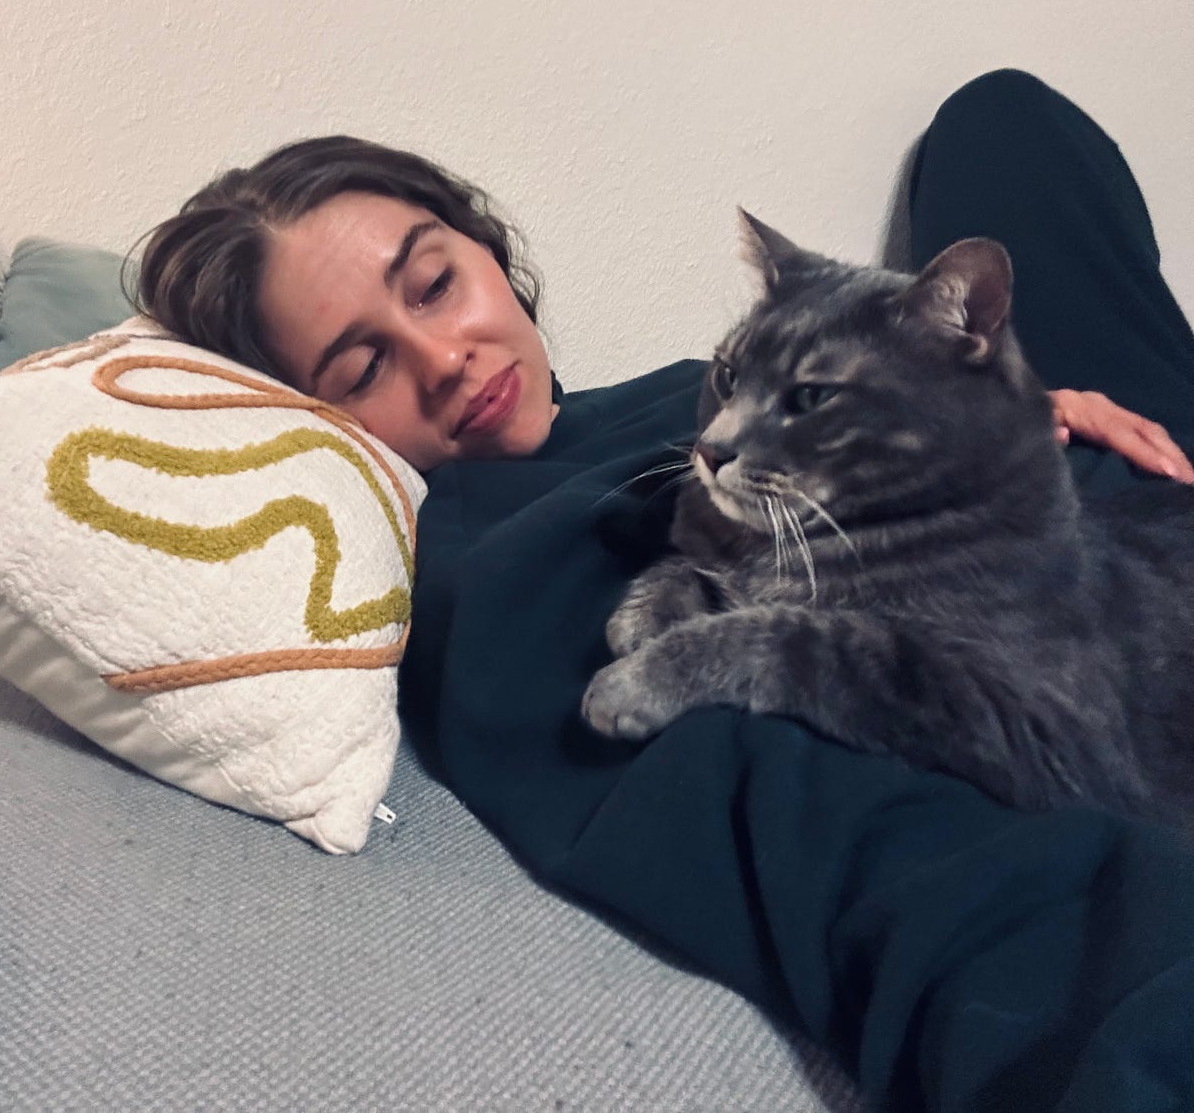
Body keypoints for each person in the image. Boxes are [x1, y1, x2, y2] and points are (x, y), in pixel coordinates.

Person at [133, 71, 1194, 1111]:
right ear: (321, 426)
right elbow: (835, 836)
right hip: (1123, 670)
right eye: (362, 368)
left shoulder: (721, 378)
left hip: (1116, 478)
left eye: (433, 283)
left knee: (997, 118)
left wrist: (996, 416)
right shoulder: (490, 551)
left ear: (487, 252)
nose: (446, 357)